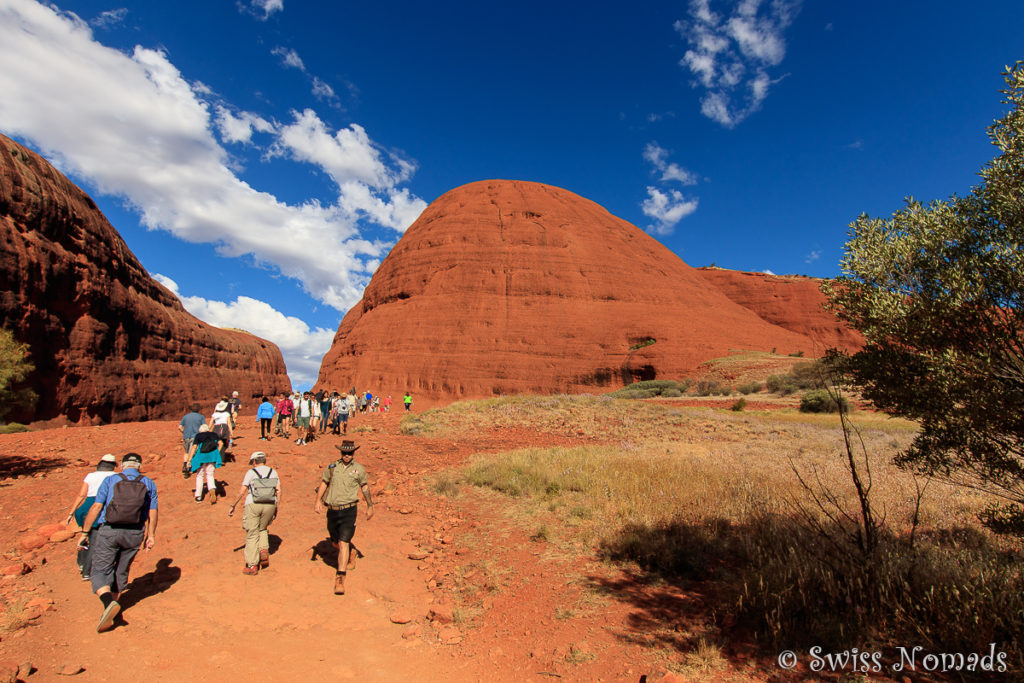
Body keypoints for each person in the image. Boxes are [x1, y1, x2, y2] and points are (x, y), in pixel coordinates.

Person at [78, 453, 158, 633]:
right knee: (121, 569)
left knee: (100, 569)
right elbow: (153, 511)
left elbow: (97, 506)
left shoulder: (111, 480)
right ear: (139, 465)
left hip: (110, 531)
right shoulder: (149, 483)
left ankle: (108, 602)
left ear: (122, 465)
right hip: (135, 533)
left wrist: (85, 531)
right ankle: (112, 610)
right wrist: (151, 535)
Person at [313, 440, 373, 595]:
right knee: (335, 542)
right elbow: (324, 483)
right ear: (340, 453)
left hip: (349, 510)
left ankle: (340, 576)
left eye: (350, 453)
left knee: (343, 541)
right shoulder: (333, 467)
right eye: (344, 453)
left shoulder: (359, 469)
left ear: (354, 453)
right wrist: (318, 500)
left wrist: (370, 505)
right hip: (332, 509)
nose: (347, 456)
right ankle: (351, 552)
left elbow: (364, 487)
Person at [65, 454, 118, 581]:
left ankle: (82, 563)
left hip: (84, 509)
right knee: (95, 539)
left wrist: (71, 513)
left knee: (86, 535)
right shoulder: (114, 477)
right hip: (98, 507)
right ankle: (87, 572)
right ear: (113, 466)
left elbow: (81, 495)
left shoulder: (90, 476)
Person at [228, 451, 280, 575]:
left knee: (252, 533)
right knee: (262, 528)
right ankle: (263, 550)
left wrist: (233, 505)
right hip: (270, 504)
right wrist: (276, 506)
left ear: (255, 461)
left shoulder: (251, 473)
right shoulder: (273, 472)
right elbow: (278, 490)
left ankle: (252, 565)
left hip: (253, 504)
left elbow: (242, 491)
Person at [188, 424, 223, 503]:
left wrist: (189, 459)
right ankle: (212, 489)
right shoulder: (214, 434)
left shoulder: (198, 436)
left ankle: (198, 496)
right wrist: (217, 452)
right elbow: (221, 443)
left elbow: (194, 447)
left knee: (200, 476)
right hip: (212, 457)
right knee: (210, 475)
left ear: (200, 430)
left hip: (201, 458)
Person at [178, 403, 205, 476]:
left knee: (186, 452)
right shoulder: (201, 417)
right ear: (198, 409)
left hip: (186, 437)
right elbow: (203, 427)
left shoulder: (185, 417)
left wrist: (184, 432)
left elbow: (180, 427)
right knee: (192, 453)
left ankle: (184, 465)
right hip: (195, 437)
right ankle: (187, 469)